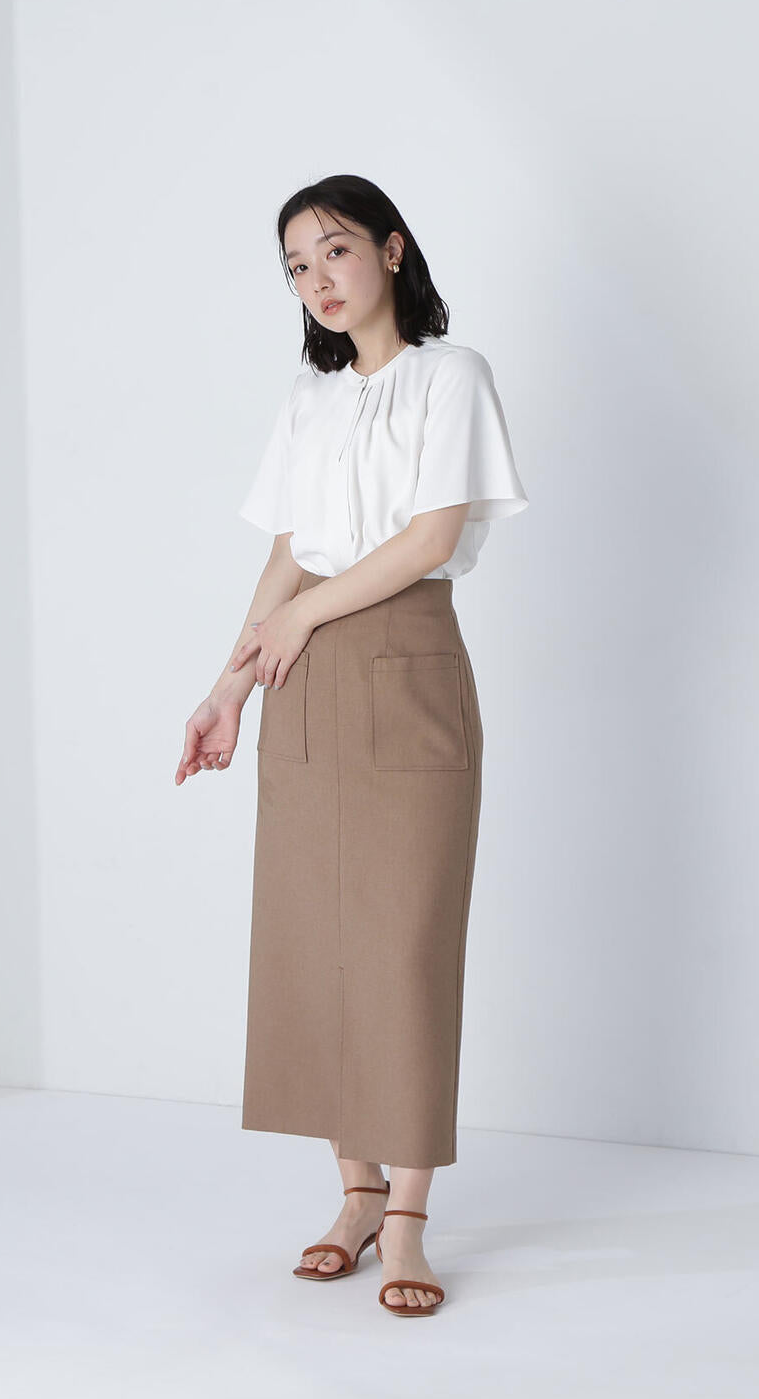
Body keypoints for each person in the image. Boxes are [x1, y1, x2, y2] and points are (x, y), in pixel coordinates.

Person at [173, 175, 528, 1317]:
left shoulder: (450, 375)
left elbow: (430, 536)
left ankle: (410, 1218)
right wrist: (229, 685)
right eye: (294, 266)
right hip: (303, 679)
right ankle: (356, 1195)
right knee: (319, 939)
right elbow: (288, 555)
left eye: (332, 250)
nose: (315, 279)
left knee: (403, 945)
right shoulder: (308, 400)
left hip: (406, 660)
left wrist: (303, 618)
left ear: (391, 249)